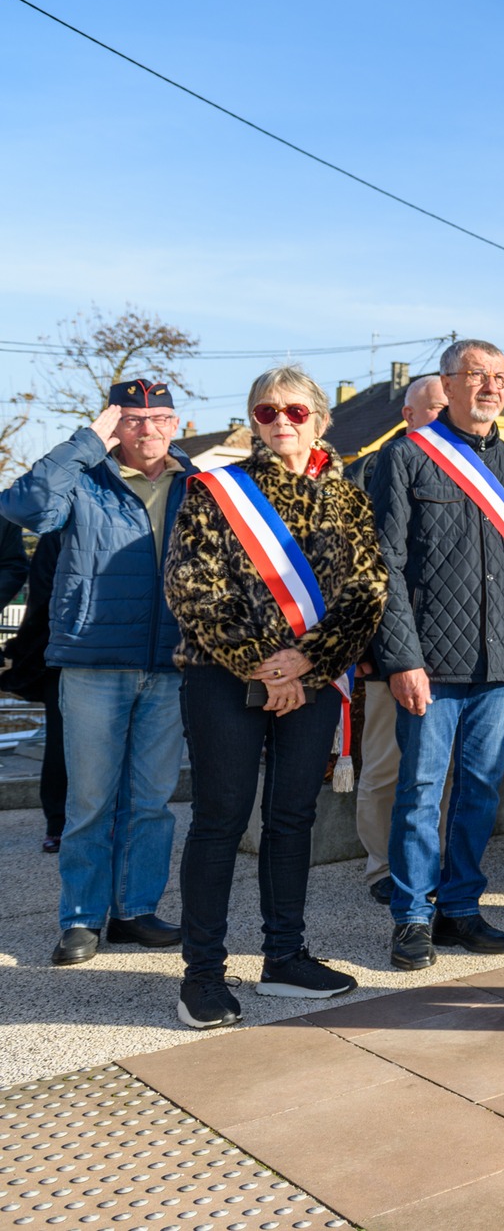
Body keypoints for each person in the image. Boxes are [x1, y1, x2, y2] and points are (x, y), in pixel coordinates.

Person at [164, 365, 388, 1027]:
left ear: (320, 418)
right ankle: (202, 974)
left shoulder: (348, 500)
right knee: (220, 819)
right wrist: (267, 668)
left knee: (292, 819)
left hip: (312, 683)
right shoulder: (214, 490)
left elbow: (365, 593)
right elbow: (193, 587)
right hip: (222, 678)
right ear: (253, 423)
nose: (280, 422)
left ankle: (284, 957)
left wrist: (308, 664)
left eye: (293, 411)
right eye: (265, 413)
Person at [371, 338, 504, 970]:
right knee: (421, 791)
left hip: (501, 667)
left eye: (501, 377)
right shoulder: (404, 459)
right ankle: (413, 917)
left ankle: (460, 909)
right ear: (447, 384)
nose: (491, 388)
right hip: (429, 665)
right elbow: (385, 568)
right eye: (478, 376)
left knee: (481, 791)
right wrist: (401, 658)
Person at [1, 378, 193, 967]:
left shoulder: (200, 486)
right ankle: (81, 919)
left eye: (160, 417)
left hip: (171, 665)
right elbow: (23, 503)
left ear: (176, 423)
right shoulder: (82, 480)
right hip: (92, 662)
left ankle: (134, 911)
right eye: (133, 419)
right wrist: (88, 439)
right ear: (113, 424)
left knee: (152, 800)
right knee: (89, 801)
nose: (149, 429)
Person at [344, 373, 447, 905]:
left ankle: (435, 860)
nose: (443, 416)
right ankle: (382, 865)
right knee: (386, 765)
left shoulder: (474, 468)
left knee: (443, 772)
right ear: (406, 415)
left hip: (455, 655)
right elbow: (357, 568)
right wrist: (363, 647)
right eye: (433, 409)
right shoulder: (371, 468)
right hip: (390, 651)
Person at [0, 527, 67, 852]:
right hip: (63, 653)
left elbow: (38, 600)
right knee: (61, 742)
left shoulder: (55, 533)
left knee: (61, 740)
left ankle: (59, 824)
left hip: (65, 652)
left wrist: (20, 653)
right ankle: (60, 822)